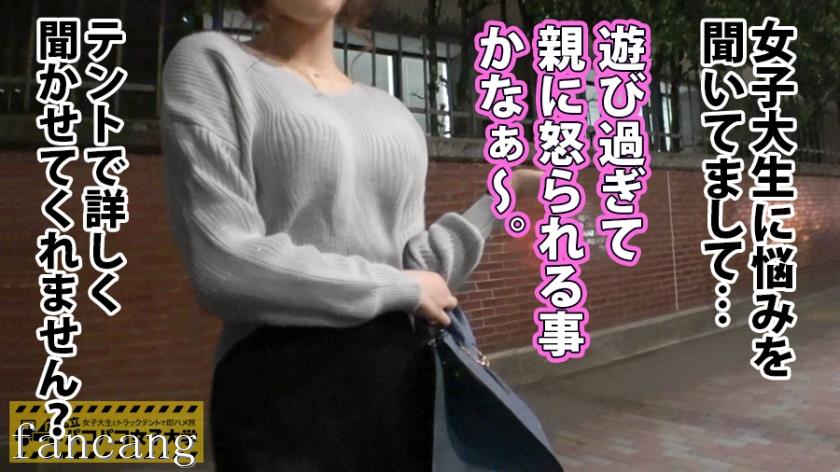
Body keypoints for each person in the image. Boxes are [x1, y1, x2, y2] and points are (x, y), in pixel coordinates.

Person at [159, 0, 542, 469]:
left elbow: (416, 273)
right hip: (284, 386)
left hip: (402, 381)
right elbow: (224, 264)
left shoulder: (391, 111)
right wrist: (399, 287)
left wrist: (502, 198)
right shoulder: (213, 63)